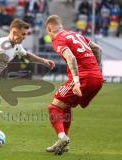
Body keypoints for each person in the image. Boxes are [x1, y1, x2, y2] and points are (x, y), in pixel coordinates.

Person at [45, 15, 103, 155]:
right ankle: (64, 142)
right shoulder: (75, 34)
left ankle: (62, 137)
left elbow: (70, 57)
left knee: (54, 107)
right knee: (65, 106)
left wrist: (76, 81)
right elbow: (98, 49)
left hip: (83, 78)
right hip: (97, 77)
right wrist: (96, 71)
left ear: (49, 29)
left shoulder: (59, 39)